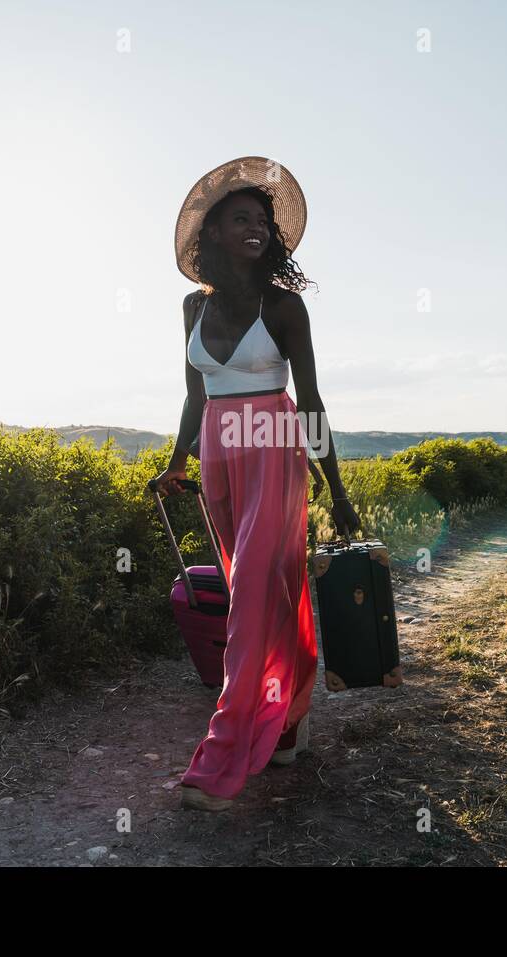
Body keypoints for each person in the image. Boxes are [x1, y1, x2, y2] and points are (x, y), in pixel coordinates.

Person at [153, 156, 360, 811]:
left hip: (272, 446)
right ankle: (289, 718)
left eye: (263, 221)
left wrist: (339, 488)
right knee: (270, 591)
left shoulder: (286, 307)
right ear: (210, 233)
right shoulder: (192, 306)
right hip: (217, 451)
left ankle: (221, 760)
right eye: (240, 218)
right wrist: (177, 460)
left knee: (247, 604)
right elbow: (194, 396)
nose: (256, 229)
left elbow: (315, 403)